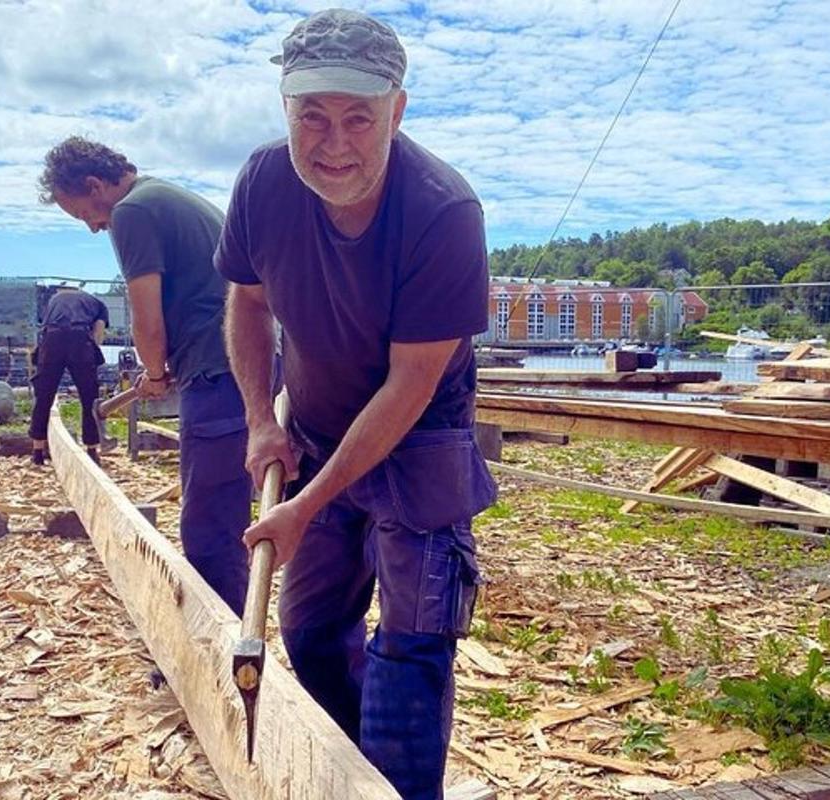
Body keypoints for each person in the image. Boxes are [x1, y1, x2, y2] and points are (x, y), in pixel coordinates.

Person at [215, 9, 496, 799]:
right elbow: (246, 304)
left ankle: (399, 784)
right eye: (312, 117)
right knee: (307, 635)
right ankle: (346, 775)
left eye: (357, 119)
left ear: (396, 112)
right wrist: (261, 423)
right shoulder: (265, 183)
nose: (333, 145)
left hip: (418, 443)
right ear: (285, 110)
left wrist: (304, 506)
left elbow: (409, 387)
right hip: (309, 429)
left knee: (411, 652)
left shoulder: (444, 212)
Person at [37, 138, 251, 617]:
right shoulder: (167, 197)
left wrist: (154, 371)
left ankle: (211, 649)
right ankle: (231, 633)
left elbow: (145, 316)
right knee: (225, 508)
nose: (94, 227)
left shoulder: (133, 211)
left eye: (84, 214)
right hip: (238, 362)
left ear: (95, 185)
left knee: (210, 520)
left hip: (219, 370)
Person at [27, 285, 108, 465]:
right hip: (79, 337)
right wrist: (89, 355)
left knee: (43, 395)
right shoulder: (97, 304)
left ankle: (37, 451)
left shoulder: (52, 301)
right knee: (89, 397)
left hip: (52, 339)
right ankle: (92, 449)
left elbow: (45, 327)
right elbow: (98, 333)